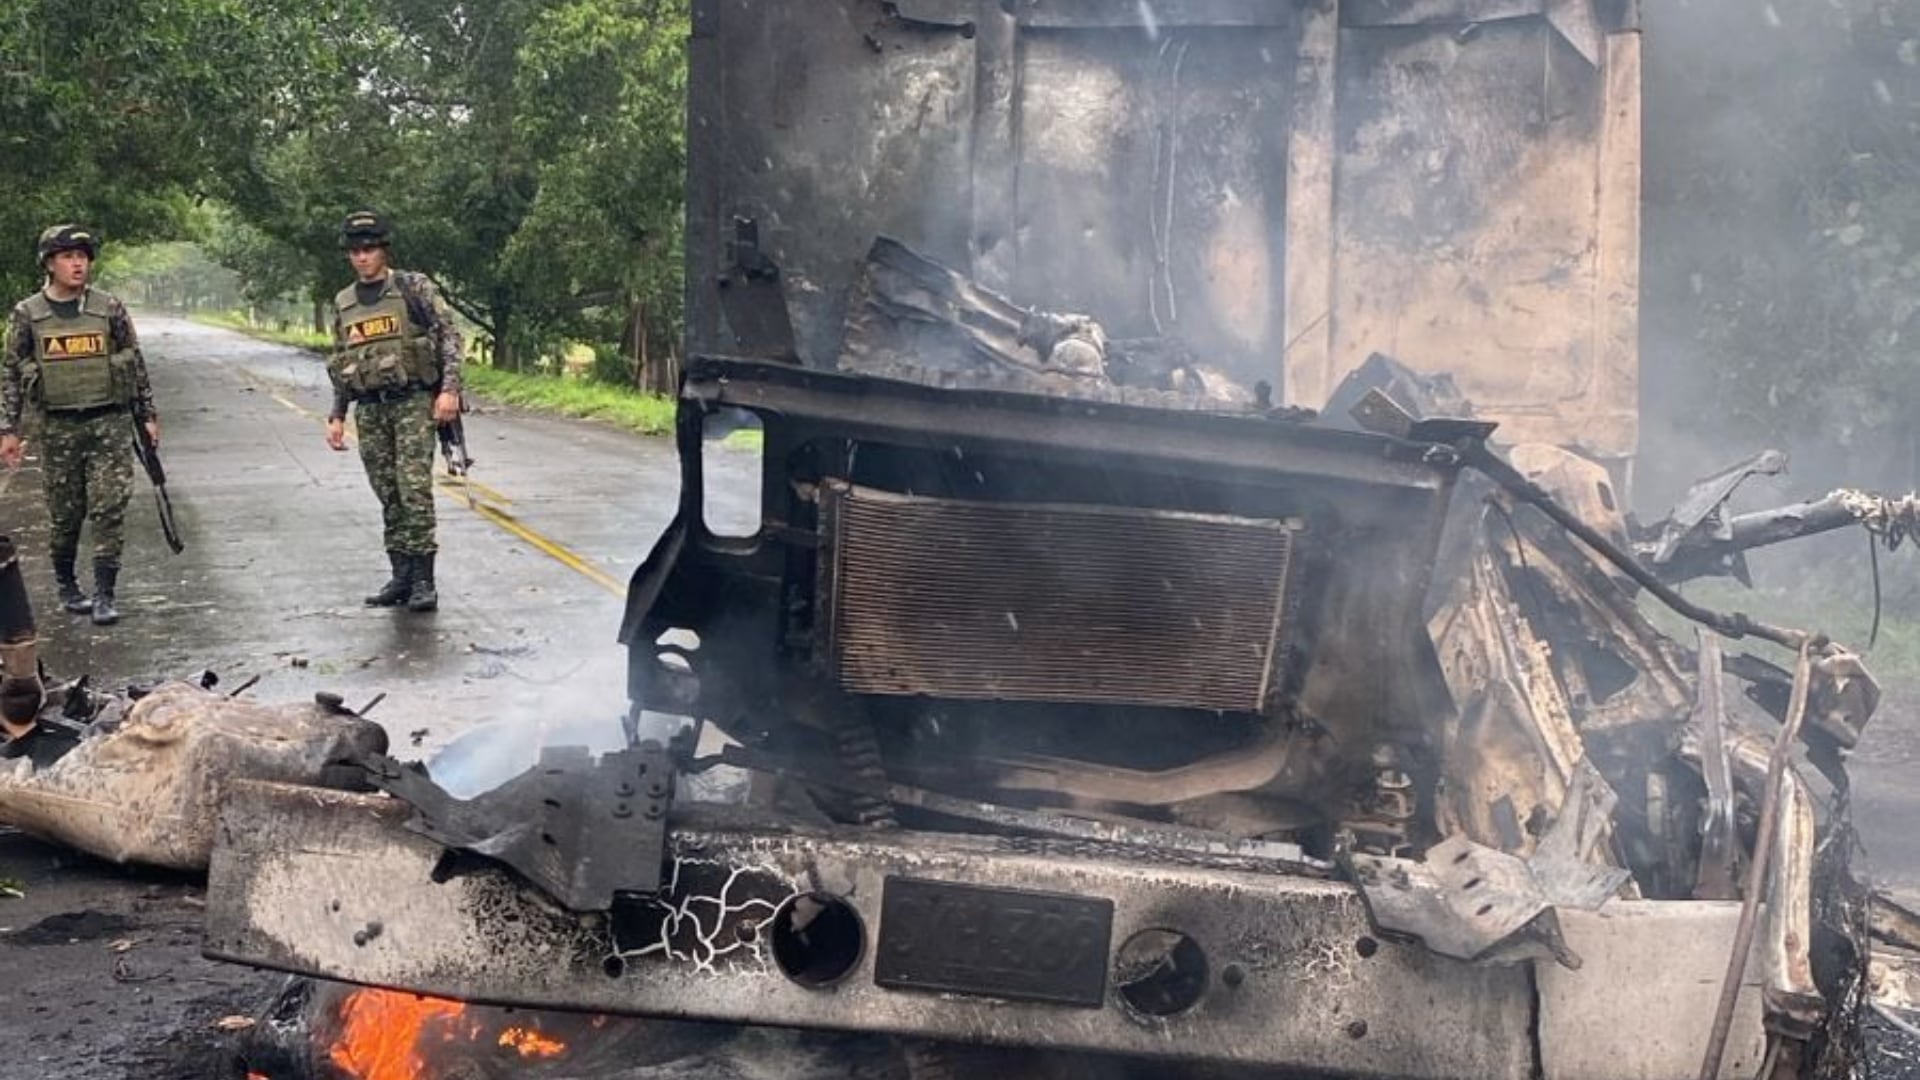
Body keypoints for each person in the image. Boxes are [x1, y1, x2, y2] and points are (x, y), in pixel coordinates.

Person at [0, 225, 160, 626]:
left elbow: (134, 363)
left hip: (109, 423)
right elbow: (11, 373)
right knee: (65, 515)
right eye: (69, 256)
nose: (78, 263)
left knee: (109, 509)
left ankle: (106, 593)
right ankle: (68, 586)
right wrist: (9, 430)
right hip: (58, 428)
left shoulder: (109, 308)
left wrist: (147, 415)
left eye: (83, 256)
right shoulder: (27, 314)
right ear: (49, 263)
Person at [324, 210, 463, 612]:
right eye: (354, 250)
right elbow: (342, 360)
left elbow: (450, 336)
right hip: (370, 409)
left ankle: (424, 580)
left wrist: (449, 390)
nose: (361, 257)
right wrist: (337, 415)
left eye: (368, 249)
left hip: (412, 402)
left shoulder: (412, 287)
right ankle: (400, 574)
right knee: (387, 491)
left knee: (413, 489)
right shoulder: (345, 302)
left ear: (383, 249)